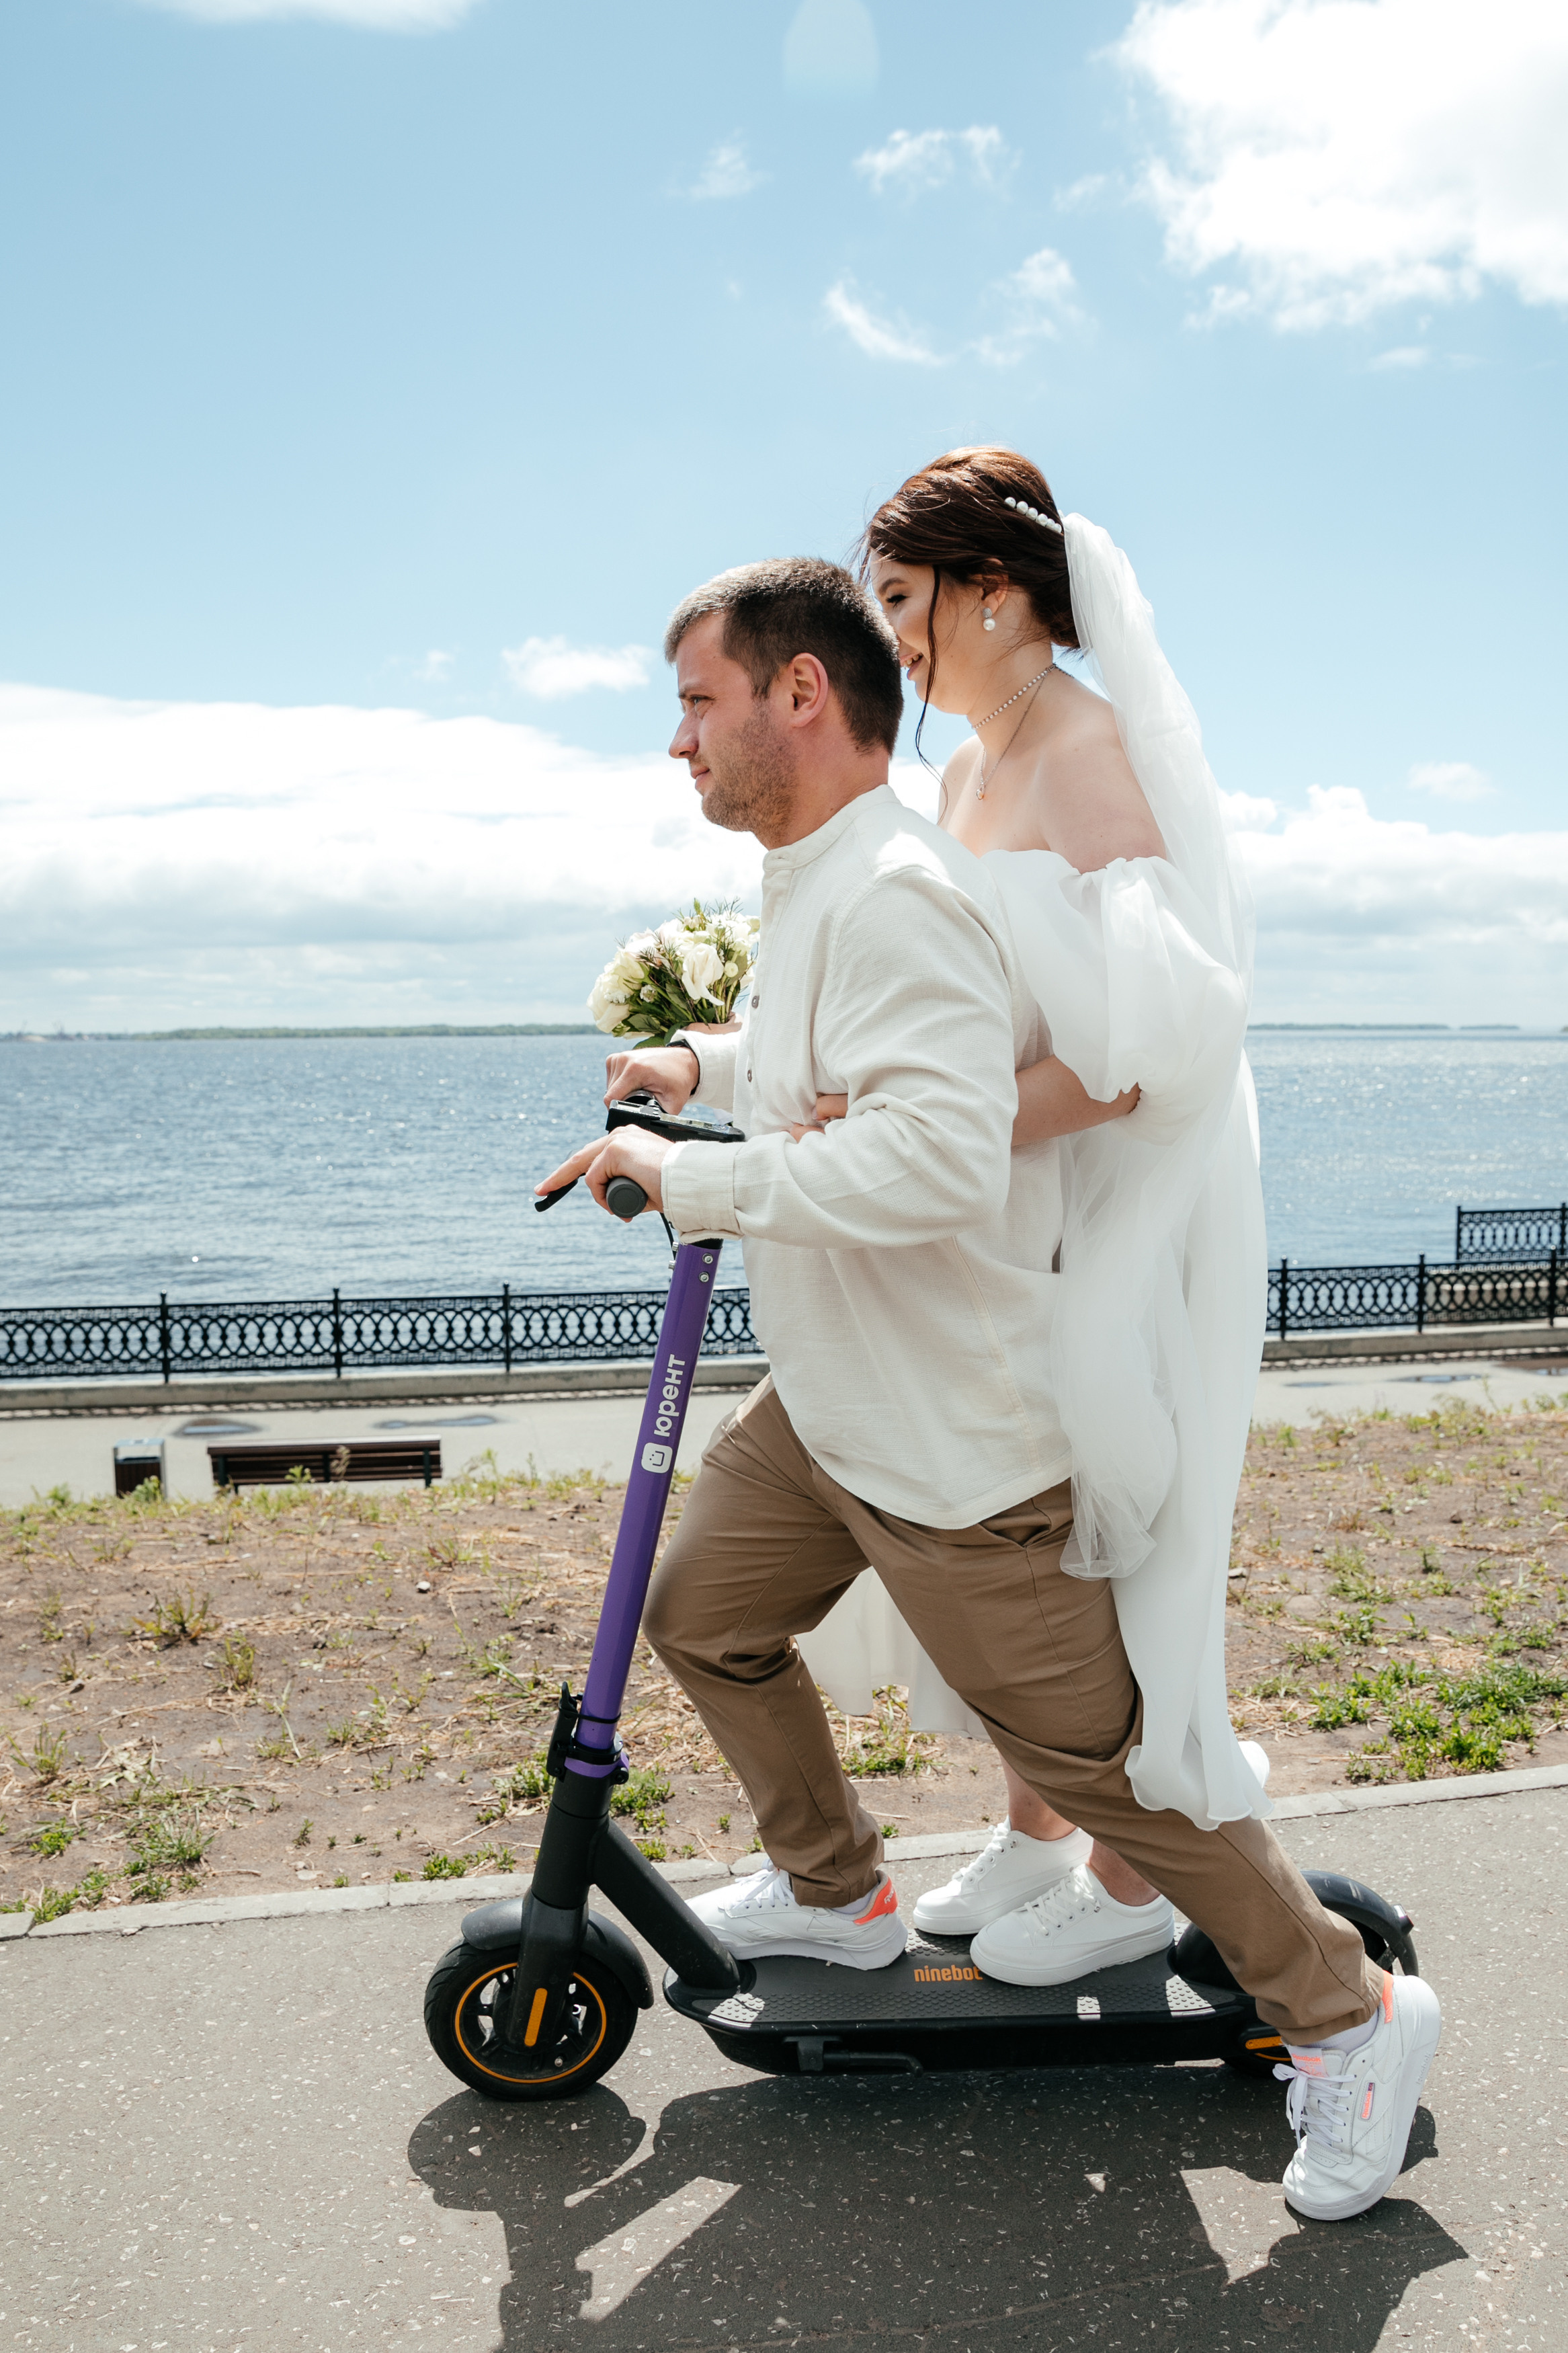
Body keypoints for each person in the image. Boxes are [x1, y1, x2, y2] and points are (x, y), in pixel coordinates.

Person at [536, 550, 1441, 2223]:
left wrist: (697, 1179)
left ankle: (1351, 2016)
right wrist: (704, 1069)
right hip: (831, 1399)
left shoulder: (893, 887)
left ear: (799, 697)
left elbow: (945, 1154)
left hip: (951, 1438)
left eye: (697, 702)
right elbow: (844, 1060)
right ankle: (838, 1895)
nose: (679, 742)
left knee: (1115, 1772)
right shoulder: (830, 877)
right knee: (699, 1611)